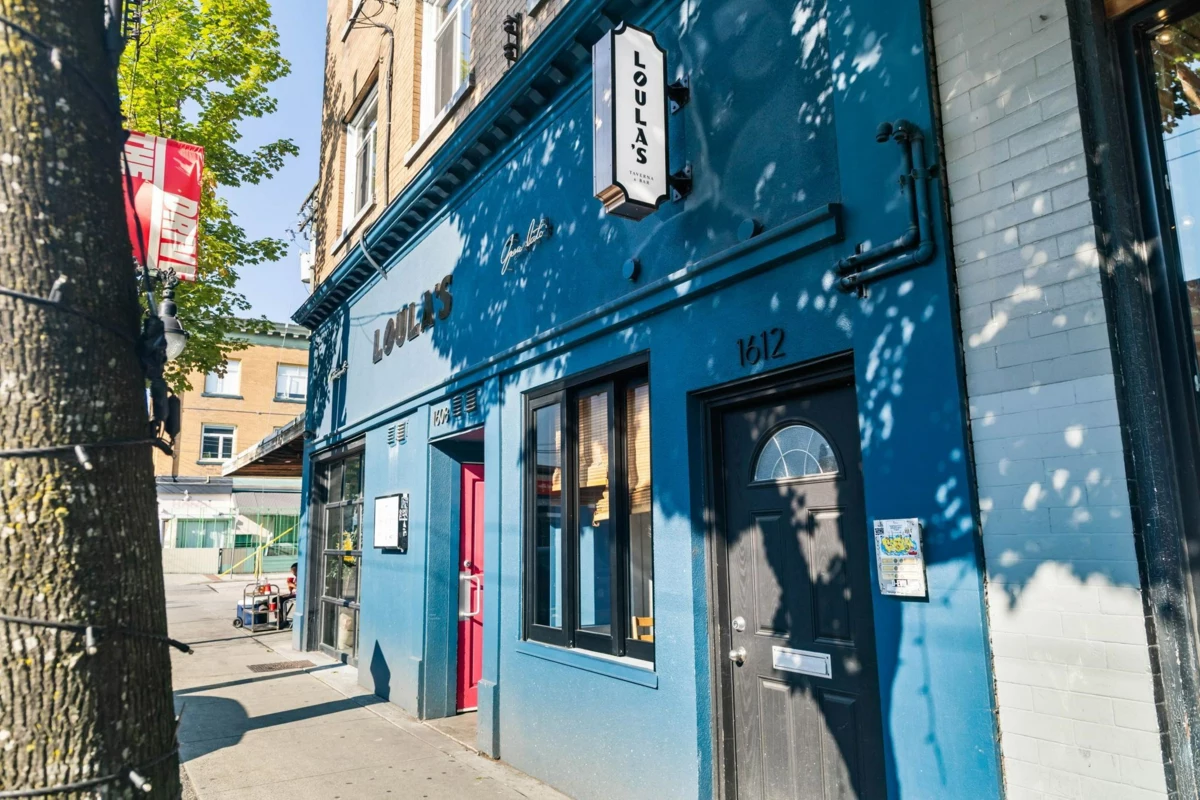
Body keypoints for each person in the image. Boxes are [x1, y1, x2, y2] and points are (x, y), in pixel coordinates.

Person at [277, 563, 297, 629]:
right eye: (292, 571)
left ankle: (283, 620)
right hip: (293, 593)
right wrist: (290, 586)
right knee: (276, 599)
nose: (292, 572)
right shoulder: (295, 578)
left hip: (297, 595)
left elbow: (299, 587)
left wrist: (292, 585)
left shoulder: (301, 577)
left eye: (293, 570)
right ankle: (279, 618)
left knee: (282, 600)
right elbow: (291, 589)